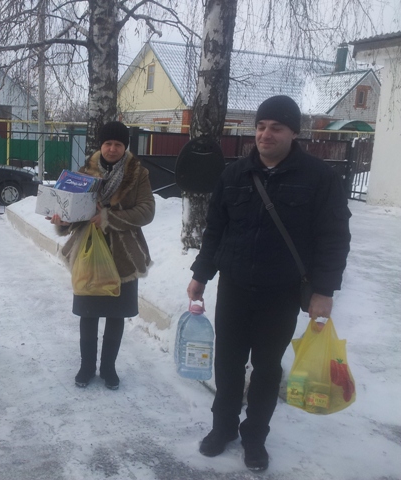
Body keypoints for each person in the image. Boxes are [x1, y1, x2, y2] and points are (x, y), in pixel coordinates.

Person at [187, 95, 351, 471]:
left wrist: (324, 290)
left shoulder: (318, 178)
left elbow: (334, 237)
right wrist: (201, 274)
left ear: (294, 132)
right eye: (260, 127)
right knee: (228, 363)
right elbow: (215, 230)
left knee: (266, 367)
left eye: (276, 127)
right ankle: (223, 427)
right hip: (234, 286)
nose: (265, 134)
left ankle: (255, 437)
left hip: (281, 292)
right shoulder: (234, 174)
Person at [50, 121, 155, 390]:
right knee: (88, 313)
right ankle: (86, 367)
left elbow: (146, 211)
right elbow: (73, 209)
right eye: (108, 143)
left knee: (115, 315)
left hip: (123, 255)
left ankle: (108, 368)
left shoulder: (138, 174)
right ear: (101, 145)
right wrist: (63, 220)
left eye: (118, 144)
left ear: (125, 147)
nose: (112, 148)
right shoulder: (84, 174)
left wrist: (108, 217)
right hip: (89, 252)